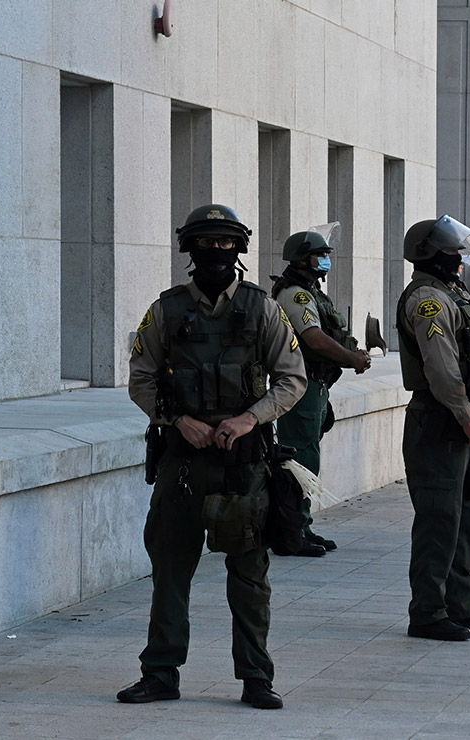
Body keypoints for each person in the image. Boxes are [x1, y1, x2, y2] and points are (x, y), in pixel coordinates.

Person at [121, 204, 306, 710]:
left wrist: (249, 419)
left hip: (242, 466)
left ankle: (255, 678)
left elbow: (292, 378)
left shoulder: (263, 308)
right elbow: (140, 378)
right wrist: (179, 421)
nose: (217, 252)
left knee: (249, 577)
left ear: (240, 248)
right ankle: (160, 673)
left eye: (227, 243)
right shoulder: (166, 310)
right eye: (208, 243)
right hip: (181, 463)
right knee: (170, 571)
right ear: (190, 249)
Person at [396, 215, 470, 640]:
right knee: (439, 518)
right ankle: (427, 611)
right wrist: (465, 415)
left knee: (466, 515)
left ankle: (461, 603)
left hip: (459, 419)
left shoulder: (451, 293)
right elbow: (441, 368)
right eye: (452, 252)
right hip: (440, 419)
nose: (460, 260)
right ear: (430, 254)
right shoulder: (428, 299)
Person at [272, 227, 371, 557]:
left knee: (307, 457)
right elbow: (313, 338)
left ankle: (302, 525)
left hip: (314, 384)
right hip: (300, 383)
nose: (326, 260)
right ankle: (290, 532)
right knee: (299, 458)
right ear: (303, 259)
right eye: (320, 255)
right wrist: (352, 359)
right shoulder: (296, 294)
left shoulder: (311, 291)